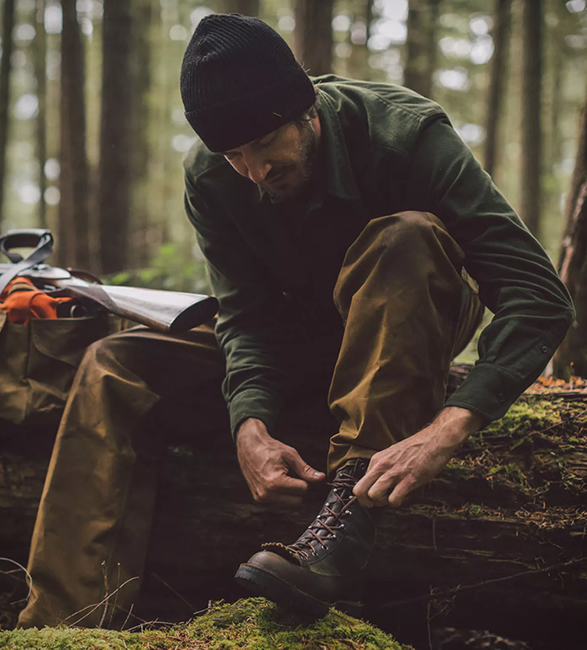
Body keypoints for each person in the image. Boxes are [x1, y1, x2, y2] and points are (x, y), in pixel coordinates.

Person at [18, 14, 573, 628]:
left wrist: (446, 429)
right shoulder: (211, 177)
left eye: (263, 145)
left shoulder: (406, 135)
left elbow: (538, 296)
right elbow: (247, 316)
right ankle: (60, 623)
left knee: (405, 237)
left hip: (408, 321)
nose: (253, 171)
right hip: (298, 345)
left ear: (306, 111)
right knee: (113, 363)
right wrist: (248, 424)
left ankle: (346, 520)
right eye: (233, 154)